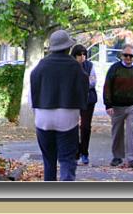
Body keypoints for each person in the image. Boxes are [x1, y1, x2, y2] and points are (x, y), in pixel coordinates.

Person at [30, 30, 89, 181]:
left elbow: (33, 93)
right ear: (68, 47)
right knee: (67, 160)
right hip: (67, 118)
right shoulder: (75, 67)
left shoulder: (41, 66)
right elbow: (84, 91)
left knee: (49, 161)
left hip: (43, 118)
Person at [103, 43, 133, 167]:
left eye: (131, 56)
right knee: (117, 131)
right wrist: (108, 105)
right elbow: (107, 87)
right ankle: (117, 156)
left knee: (132, 131)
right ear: (121, 55)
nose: (128, 58)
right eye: (125, 55)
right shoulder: (114, 69)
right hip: (117, 106)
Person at [70, 44, 97, 165]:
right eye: (79, 55)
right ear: (74, 55)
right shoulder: (69, 66)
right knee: (72, 126)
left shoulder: (90, 66)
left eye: (84, 54)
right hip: (73, 100)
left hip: (88, 99)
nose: (82, 57)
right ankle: (76, 152)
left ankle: (84, 152)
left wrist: (79, 85)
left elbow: (92, 82)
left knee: (85, 127)